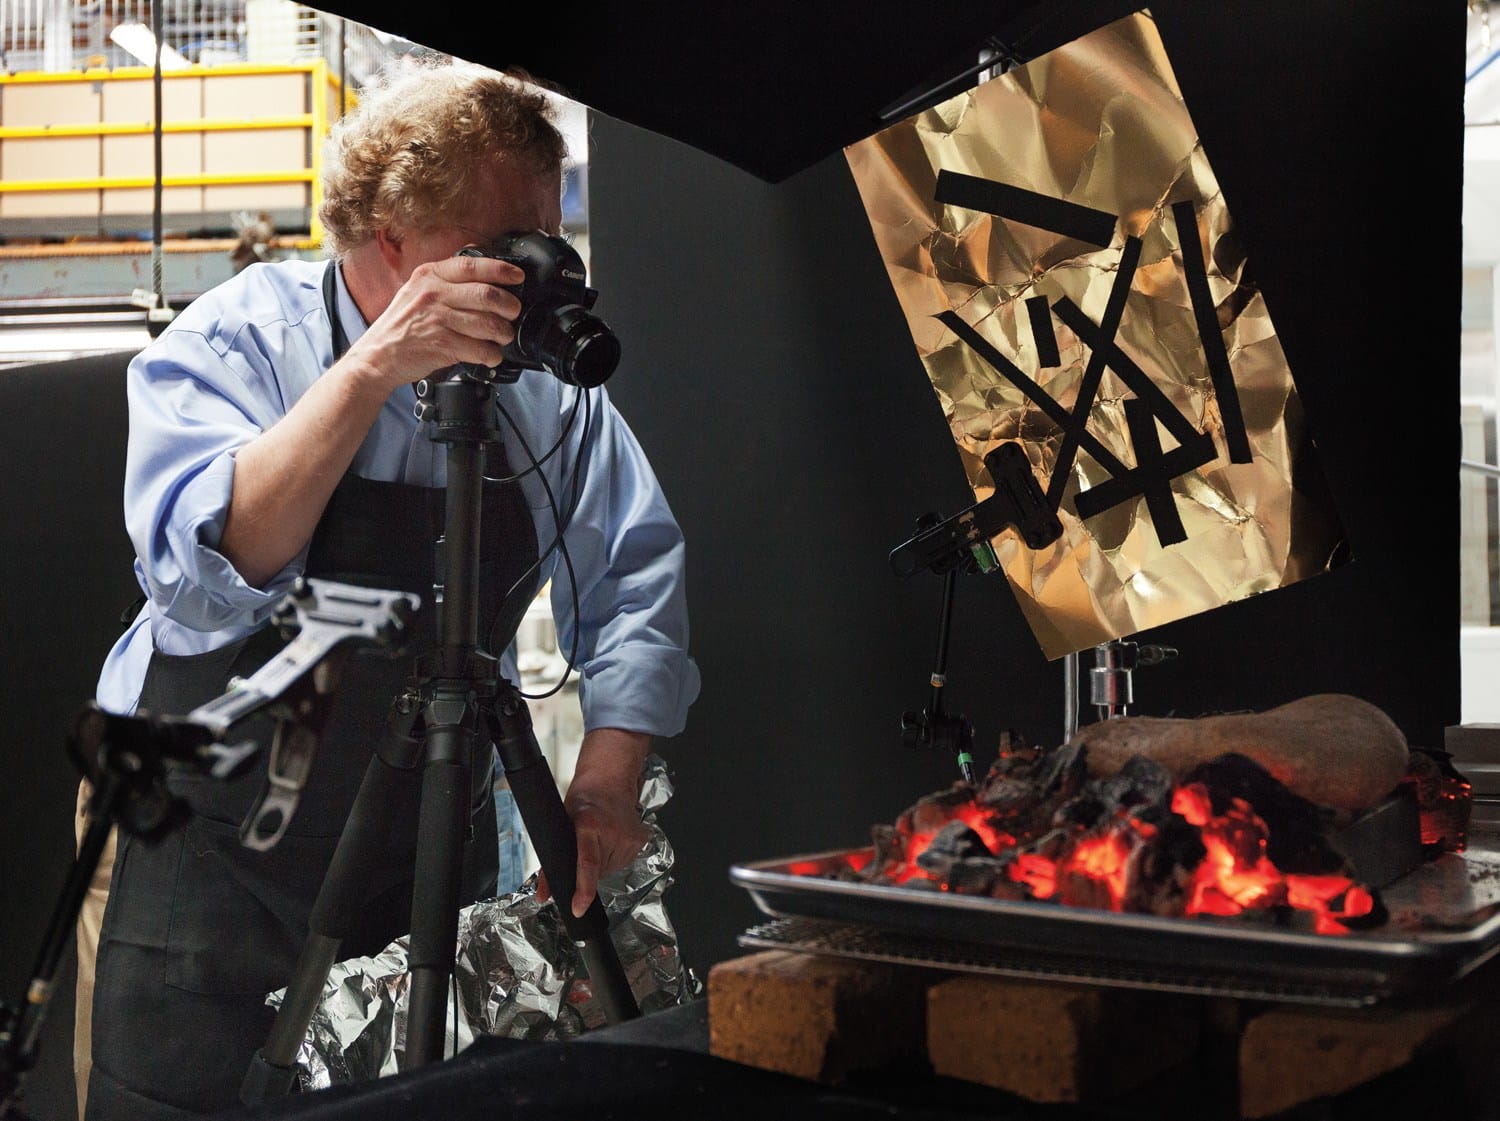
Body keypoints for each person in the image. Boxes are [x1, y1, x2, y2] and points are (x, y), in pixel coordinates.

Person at [79, 59, 699, 1120]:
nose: (535, 282)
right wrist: (369, 372)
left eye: (548, 242)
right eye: (504, 251)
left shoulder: (539, 390)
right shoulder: (238, 342)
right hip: (207, 829)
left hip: (416, 825)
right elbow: (198, 583)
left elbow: (636, 573)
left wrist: (601, 788)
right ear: (392, 237)